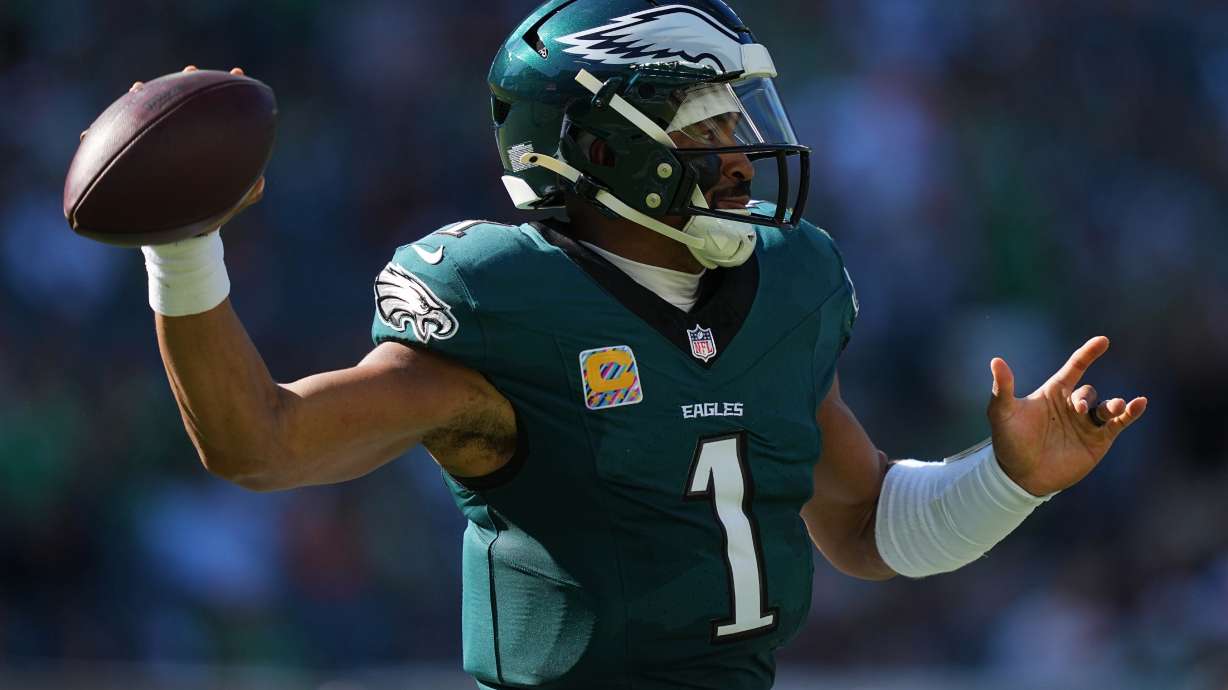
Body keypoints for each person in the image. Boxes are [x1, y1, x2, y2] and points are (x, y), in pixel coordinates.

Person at [134, 1, 1148, 688]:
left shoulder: (787, 288)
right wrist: (183, 248)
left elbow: (865, 525)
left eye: (738, 123)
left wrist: (1008, 481)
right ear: (598, 149)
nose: (741, 158)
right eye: (705, 133)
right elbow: (261, 441)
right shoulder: (506, 302)